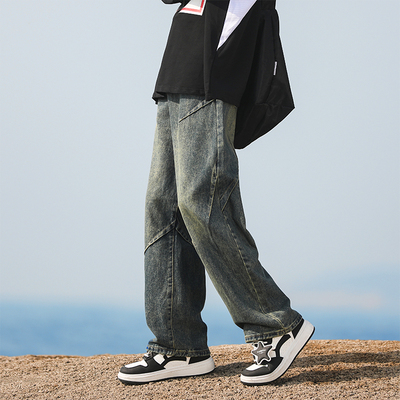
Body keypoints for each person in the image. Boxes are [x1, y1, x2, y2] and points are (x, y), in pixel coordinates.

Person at [118, 0, 314, 386]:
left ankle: (275, 325)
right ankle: (178, 344)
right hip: (181, 59)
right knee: (164, 207)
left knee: (202, 201)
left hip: (216, 55)